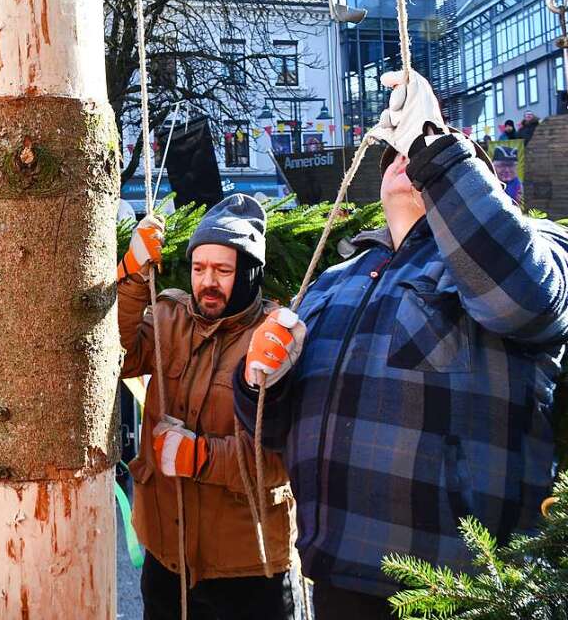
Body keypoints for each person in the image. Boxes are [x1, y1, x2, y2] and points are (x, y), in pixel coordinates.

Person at [235, 69, 568, 619]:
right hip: (338, 577)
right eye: (405, 153)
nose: (409, 159)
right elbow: (272, 429)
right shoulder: (335, 278)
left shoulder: (534, 248)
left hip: (464, 591)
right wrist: (255, 382)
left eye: (436, 162)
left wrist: (436, 146)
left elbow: (522, 299)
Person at [119, 196, 295, 620]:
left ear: (249, 273)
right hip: (165, 559)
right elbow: (116, 356)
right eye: (200, 269)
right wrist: (132, 275)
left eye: (223, 270)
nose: (207, 282)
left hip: (246, 570)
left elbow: (282, 459)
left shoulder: (275, 340)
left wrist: (201, 457)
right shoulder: (170, 317)